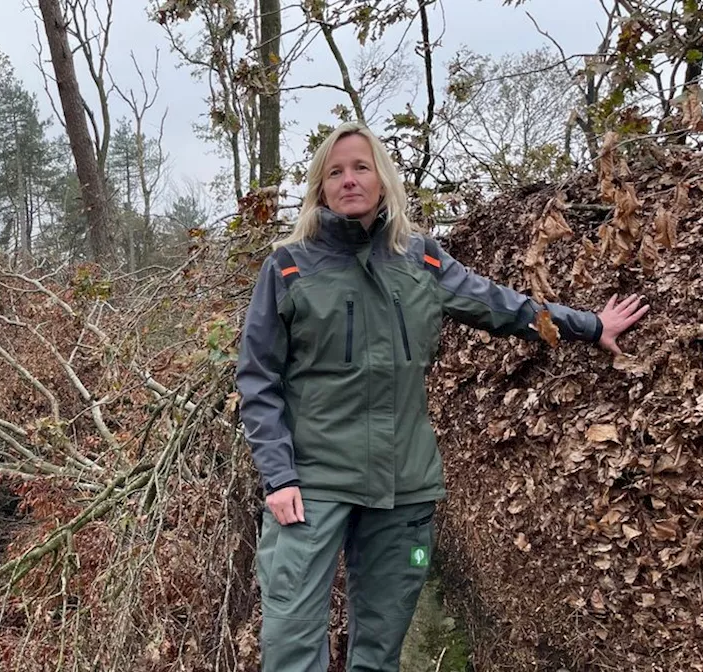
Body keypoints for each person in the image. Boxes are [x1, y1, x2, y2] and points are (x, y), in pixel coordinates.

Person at [234, 122, 649, 671]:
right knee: (290, 639)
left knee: (381, 646)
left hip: (403, 483)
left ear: (382, 179)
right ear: (320, 187)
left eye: (361, 167)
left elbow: (504, 306)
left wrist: (590, 325)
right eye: (335, 172)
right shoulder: (289, 266)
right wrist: (279, 475)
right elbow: (257, 378)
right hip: (313, 479)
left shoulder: (421, 259)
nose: (349, 180)